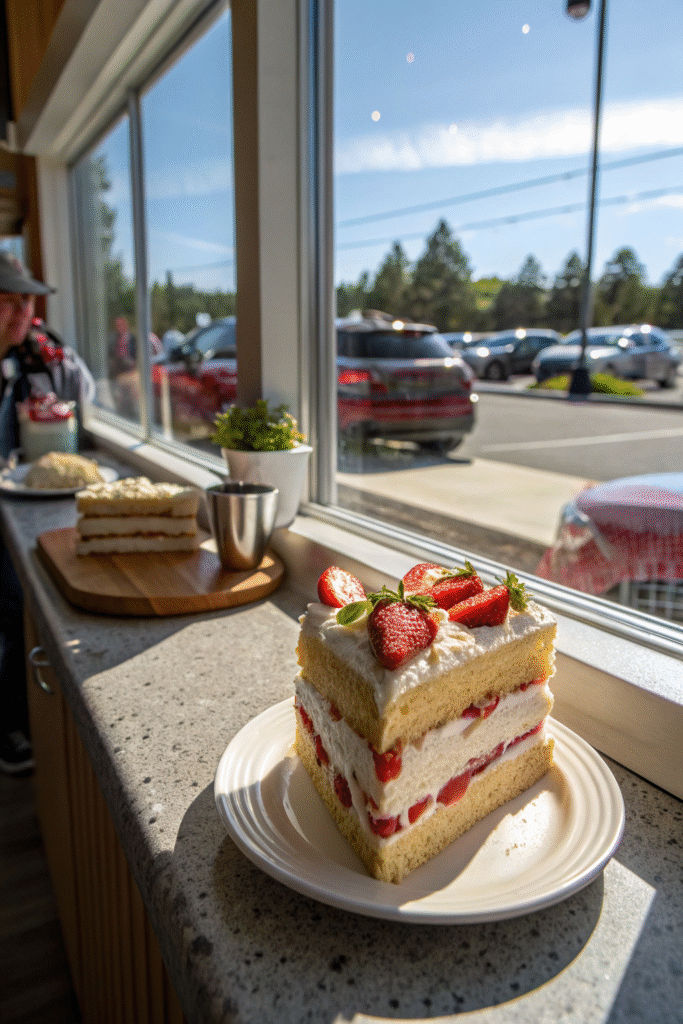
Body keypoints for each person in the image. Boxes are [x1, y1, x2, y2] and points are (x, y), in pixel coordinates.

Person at [0, 251, 95, 774]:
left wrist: (58, 357)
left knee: (22, 603)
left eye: (27, 300)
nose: (22, 312)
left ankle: (19, 715)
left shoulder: (35, 357)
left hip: (21, 499)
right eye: (8, 300)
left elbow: (83, 399)